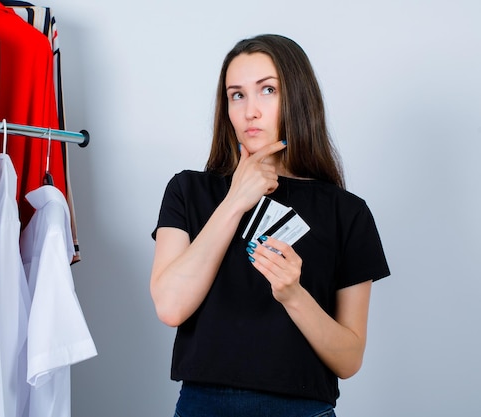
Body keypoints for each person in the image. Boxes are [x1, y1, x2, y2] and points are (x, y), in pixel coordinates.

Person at [150, 34, 390, 417]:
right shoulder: (188, 190)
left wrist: (294, 294)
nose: (250, 111)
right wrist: (235, 201)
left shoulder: (348, 213)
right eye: (237, 95)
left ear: (297, 96)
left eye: (267, 90)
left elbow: (349, 359)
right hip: (203, 407)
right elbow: (170, 307)